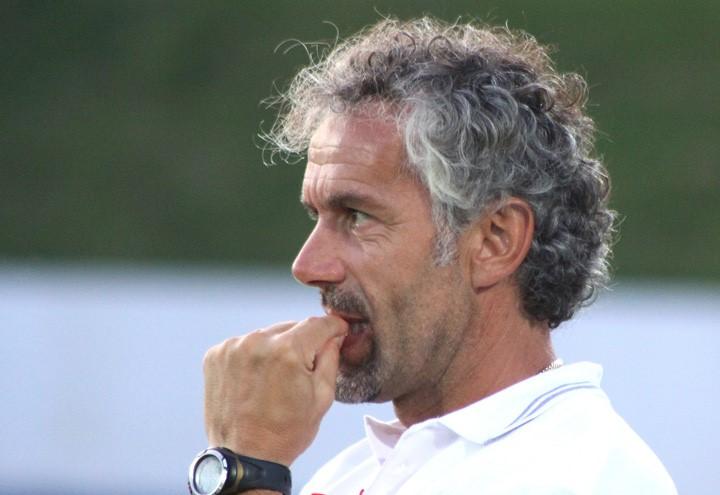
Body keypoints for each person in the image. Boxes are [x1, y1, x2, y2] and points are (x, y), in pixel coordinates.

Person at [192, 17, 677, 495]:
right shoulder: (350, 473)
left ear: (495, 241)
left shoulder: (583, 475)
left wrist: (248, 467)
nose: (308, 266)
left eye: (357, 216)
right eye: (316, 216)